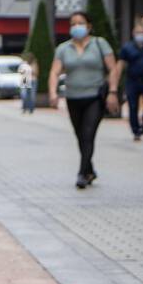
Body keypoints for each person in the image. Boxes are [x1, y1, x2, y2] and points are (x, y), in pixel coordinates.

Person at [48, 10, 120, 188]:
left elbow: (113, 68)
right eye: (72, 24)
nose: (76, 27)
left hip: (94, 97)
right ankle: (90, 170)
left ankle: (81, 173)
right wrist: (52, 93)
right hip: (73, 98)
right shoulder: (63, 48)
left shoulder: (99, 44)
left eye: (80, 23)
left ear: (89, 26)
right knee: (80, 136)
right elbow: (54, 72)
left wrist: (113, 91)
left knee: (88, 134)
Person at [119, 17, 143, 142]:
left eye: (142, 32)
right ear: (133, 33)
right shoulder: (127, 48)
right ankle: (136, 130)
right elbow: (121, 65)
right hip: (132, 81)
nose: (140, 35)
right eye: (137, 33)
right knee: (133, 106)